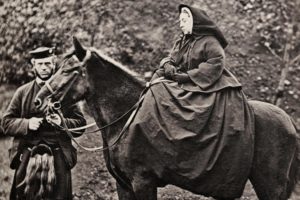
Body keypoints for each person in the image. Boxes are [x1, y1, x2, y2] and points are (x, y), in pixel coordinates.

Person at [130, 4, 254, 199]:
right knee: (157, 89)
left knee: (189, 107)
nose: (181, 23)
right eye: (180, 20)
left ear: (195, 21)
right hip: (184, 84)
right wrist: (167, 67)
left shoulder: (210, 42)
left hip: (207, 87)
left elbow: (214, 65)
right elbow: (171, 58)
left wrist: (184, 77)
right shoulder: (183, 40)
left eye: (185, 20)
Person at [1, 47, 86, 200]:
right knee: (21, 189)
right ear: (33, 65)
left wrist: (62, 122)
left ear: (54, 64)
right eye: (40, 64)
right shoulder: (22, 92)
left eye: (47, 63)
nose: (44, 68)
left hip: (57, 148)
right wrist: (26, 124)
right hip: (28, 147)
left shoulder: (65, 92)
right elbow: (6, 123)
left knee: (60, 193)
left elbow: (80, 123)